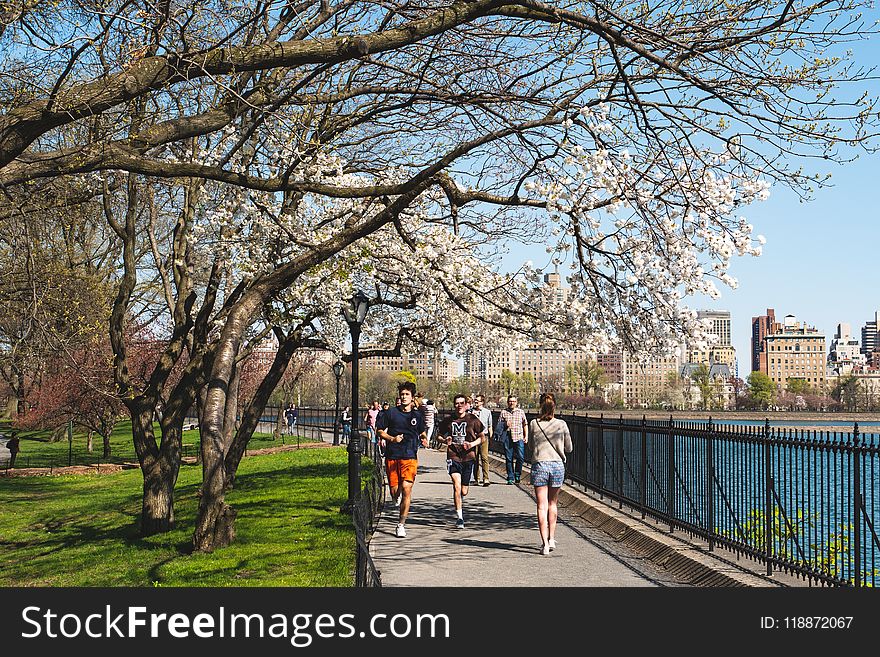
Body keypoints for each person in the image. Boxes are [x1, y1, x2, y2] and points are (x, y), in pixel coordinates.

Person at [376, 382, 428, 538]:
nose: (404, 397)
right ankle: (395, 496)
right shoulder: (391, 413)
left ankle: (401, 524)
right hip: (393, 456)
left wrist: (424, 438)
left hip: (410, 456)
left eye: (407, 394)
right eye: (402, 394)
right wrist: (392, 438)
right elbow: (379, 431)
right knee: (395, 491)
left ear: (412, 397)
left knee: (407, 489)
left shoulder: (417, 415)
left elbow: (422, 431)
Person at [528, 392, 572, 555]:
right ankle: (552, 538)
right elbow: (569, 448)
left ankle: (545, 544)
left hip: (540, 464)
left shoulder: (534, 423)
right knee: (553, 504)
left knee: (541, 506)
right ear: (555, 406)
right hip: (557, 465)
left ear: (540, 405)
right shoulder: (561, 424)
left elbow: (531, 446)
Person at [437, 394, 485, 529]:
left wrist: (471, 444)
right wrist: (444, 440)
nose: (459, 406)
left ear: (466, 405)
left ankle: (460, 500)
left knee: (464, 491)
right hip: (453, 456)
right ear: (454, 405)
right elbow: (439, 435)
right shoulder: (448, 420)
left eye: (462, 403)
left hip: (468, 457)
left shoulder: (473, 419)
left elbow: (483, 438)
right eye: (457, 403)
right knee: (456, 486)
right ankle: (460, 517)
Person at [496, 394, 528, 484]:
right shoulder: (504, 412)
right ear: (507, 402)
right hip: (507, 436)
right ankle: (510, 477)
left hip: (518, 436)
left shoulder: (521, 412)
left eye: (513, 401)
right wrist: (505, 424)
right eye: (510, 401)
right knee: (509, 458)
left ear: (516, 402)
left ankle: (517, 473)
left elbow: (525, 424)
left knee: (521, 457)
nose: (512, 403)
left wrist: (526, 436)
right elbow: (499, 425)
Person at [470, 393, 493, 486]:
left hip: (484, 436)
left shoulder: (487, 412)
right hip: (474, 437)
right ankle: (476, 478)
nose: (476, 402)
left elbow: (490, 425)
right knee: (475, 458)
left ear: (482, 402)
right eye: (475, 400)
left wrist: (490, 435)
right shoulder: (470, 412)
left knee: (484, 457)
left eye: (477, 401)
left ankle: (486, 478)